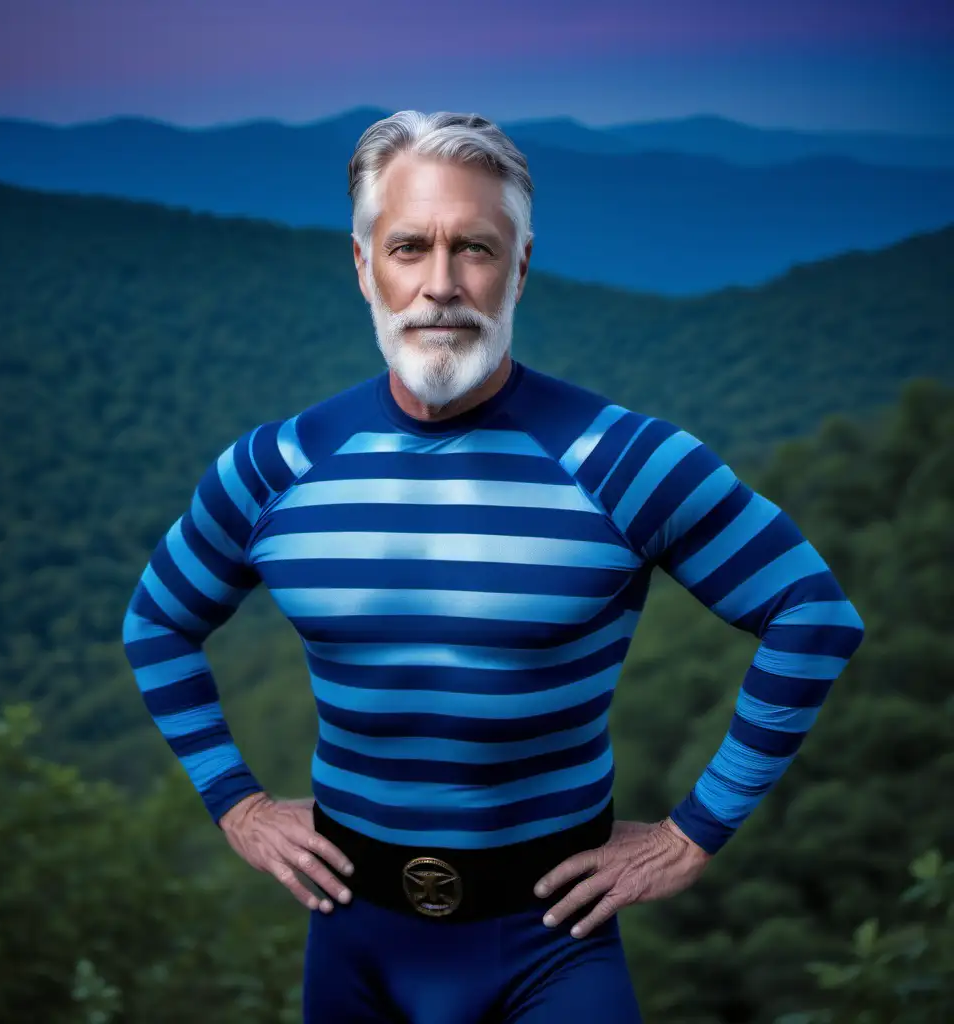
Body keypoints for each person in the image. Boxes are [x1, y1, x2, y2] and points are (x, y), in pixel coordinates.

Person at [121, 110, 865, 1022]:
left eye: (474, 247)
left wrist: (692, 835)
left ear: (519, 267)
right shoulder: (274, 468)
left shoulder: (624, 461)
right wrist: (236, 804)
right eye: (407, 248)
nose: (441, 285)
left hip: (553, 949)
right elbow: (157, 622)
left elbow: (812, 615)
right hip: (352, 943)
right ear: (363, 267)